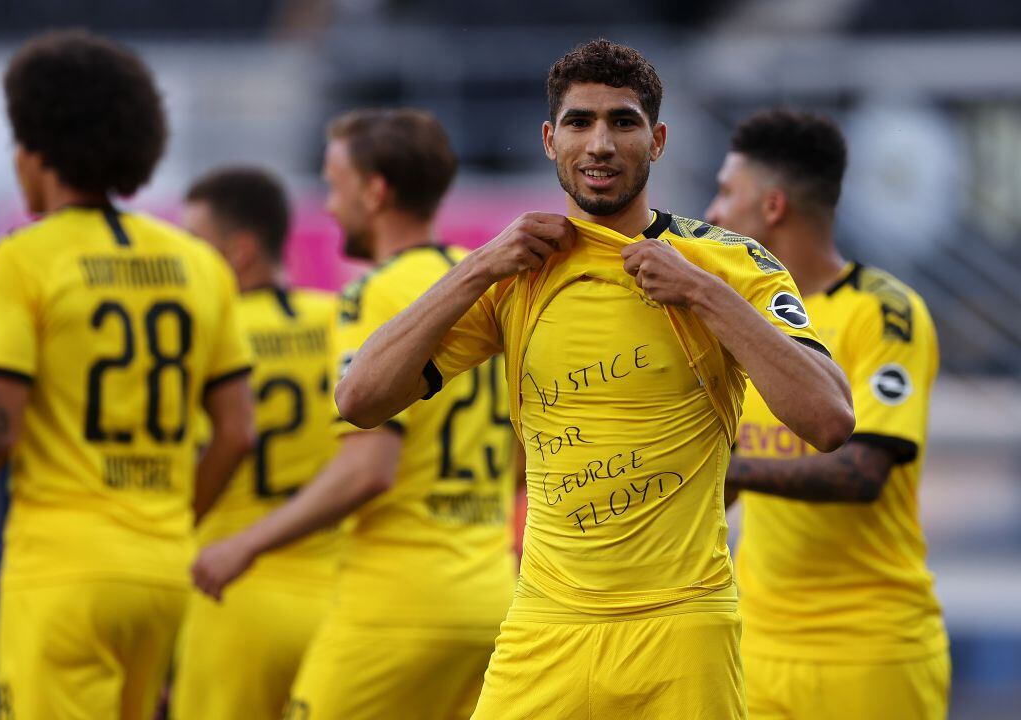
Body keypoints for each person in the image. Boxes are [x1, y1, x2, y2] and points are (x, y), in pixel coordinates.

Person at [334, 40, 855, 719]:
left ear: (658, 140)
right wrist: (476, 267)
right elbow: (360, 400)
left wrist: (704, 294)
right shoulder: (518, 271)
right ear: (551, 140)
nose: (601, 143)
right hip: (545, 627)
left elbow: (830, 420)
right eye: (580, 122)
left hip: (682, 626)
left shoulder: (727, 264)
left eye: (624, 121)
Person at [0, 30, 255, 720]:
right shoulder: (199, 263)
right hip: (161, 571)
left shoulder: (21, 260)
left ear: (36, 150)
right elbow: (236, 431)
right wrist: (170, 523)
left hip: (63, 574)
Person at [190, 109, 520, 720]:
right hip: (491, 597)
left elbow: (368, 470)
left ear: (375, 191)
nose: (330, 206)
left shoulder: (377, 293)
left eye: (335, 184)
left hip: (397, 604)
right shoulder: (489, 290)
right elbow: (524, 458)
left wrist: (246, 545)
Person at [704, 108, 949, 720]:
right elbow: (720, 489)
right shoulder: (744, 321)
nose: (712, 212)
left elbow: (861, 473)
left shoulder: (884, 312)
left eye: (727, 192)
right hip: (756, 646)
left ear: (773, 207)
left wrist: (731, 472)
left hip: (870, 650)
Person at [170, 168, 339, 719]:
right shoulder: (343, 322)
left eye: (196, 245)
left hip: (231, 598)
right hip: (339, 605)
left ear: (240, 252)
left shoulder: (204, 334)